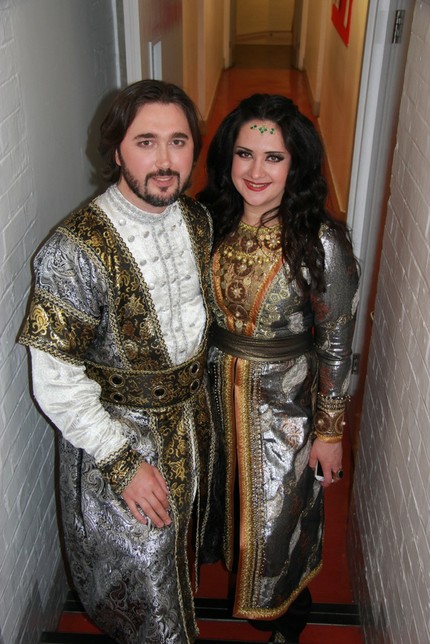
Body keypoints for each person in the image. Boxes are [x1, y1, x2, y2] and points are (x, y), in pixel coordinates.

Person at [18, 80, 220, 644]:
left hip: (192, 429)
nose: (164, 161)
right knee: (144, 597)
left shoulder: (197, 220)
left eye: (178, 142)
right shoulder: (71, 251)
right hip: (120, 444)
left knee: (176, 570)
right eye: (146, 142)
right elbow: (56, 379)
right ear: (116, 151)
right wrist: (122, 461)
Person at [197, 93, 359, 643]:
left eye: (274, 157)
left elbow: (336, 341)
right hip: (213, 398)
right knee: (227, 511)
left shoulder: (320, 240)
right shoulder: (209, 221)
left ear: (297, 164)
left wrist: (330, 434)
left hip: (285, 410)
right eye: (245, 154)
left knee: (279, 525)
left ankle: (288, 622)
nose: (256, 171)